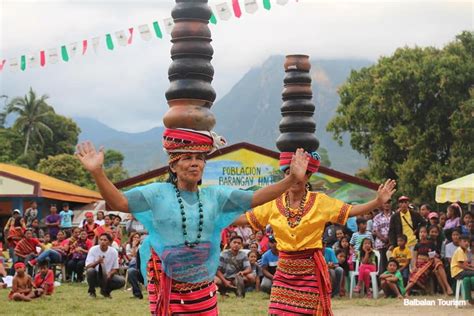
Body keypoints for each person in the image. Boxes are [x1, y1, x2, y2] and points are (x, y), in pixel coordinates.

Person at [75, 129, 310, 314]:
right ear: (173, 166)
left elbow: (254, 197)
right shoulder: (157, 193)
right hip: (167, 285)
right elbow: (119, 203)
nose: (195, 163)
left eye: (200, 158)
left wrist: (291, 180)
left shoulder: (214, 196)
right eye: (187, 158)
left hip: (203, 287)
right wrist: (98, 172)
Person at [235, 149, 396, 314]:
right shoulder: (273, 204)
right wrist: (213, 214)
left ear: (308, 176)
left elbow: (351, 210)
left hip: (309, 272)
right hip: (284, 271)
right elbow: (245, 219)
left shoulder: (320, 202)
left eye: (300, 173)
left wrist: (377, 201)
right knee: (278, 312)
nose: (295, 177)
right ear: (285, 176)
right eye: (289, 173)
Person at [405, 226, 452, 296]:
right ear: (419, 234)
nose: (422, 234)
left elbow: (433, 255)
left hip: (429, 263)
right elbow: (414, 257)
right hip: (419, 264)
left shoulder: (431, 244)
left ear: (427, 234)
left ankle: (446, 289)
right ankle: (406, 292)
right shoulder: (417, 245)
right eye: (421, 232)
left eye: (424, 232)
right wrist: (414, 266)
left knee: (436, 264)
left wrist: (433, 256)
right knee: (415, 273)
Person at [85, 233, 125, 298]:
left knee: (121, 281)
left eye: (105, 240)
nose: (102, 242)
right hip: (96, 275)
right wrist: (97, 262)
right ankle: (92, 292)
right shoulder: (93, 249)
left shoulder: (114, 251)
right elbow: (87, 266)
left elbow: (115, 268)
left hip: (107, 275)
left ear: (109, 242)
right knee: (90, 271)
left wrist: (110, 274)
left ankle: (105, 291)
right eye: (101, 240)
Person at [450, 236, 474, 304]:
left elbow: (465, 264)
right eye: (464, 241)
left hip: (461, 271)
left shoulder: (464, 251)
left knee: (468, 278)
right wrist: (472, 269)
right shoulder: (460, 250)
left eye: (468, 242)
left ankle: (469, 298)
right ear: (460, 242)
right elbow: (461, 266)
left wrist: (471, 266)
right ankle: (469, 299)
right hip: (458, 272)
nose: (467, 243)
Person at [372, 199, 393, 273]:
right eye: (385, 203)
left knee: (392, 264)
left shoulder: (395, 215)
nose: (387, 205)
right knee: (382, 265)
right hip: (380, 244)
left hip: (392, 244)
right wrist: (383, 239)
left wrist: (390, 241)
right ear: (382, 205)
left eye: (388, 203)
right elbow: (375, 230)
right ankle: (381, 281)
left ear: (391, 204)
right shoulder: (377, 217)